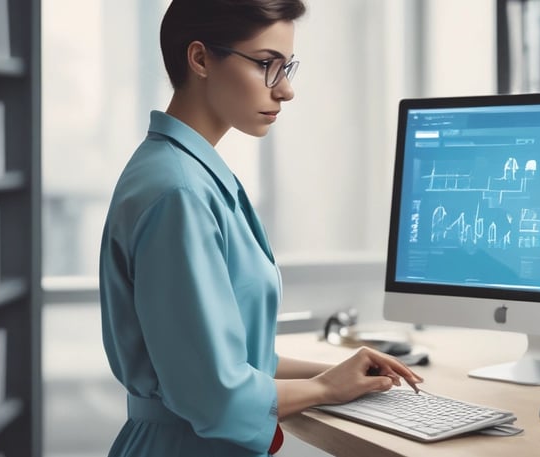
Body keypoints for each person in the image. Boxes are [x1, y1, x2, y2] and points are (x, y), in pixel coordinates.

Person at [98, 1, 424, 456]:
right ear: (200, 59)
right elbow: (215, 396)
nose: (286, 90)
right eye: (267, 65)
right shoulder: (180, 193)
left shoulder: (192, 174)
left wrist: (337, 374)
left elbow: (239, 361)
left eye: (286, 67)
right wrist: (327, 389)